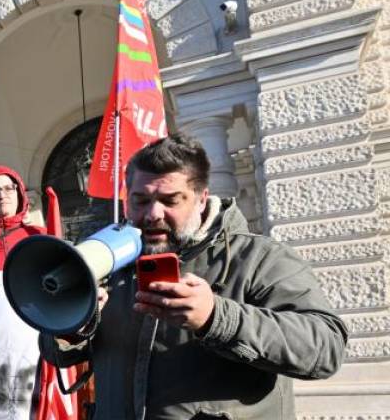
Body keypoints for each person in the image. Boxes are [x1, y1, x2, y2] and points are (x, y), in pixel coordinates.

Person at [39, 134, 348, 419]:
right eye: (140, 200)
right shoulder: (110, 263)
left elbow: (324, 349)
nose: (152, 215)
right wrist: (73, 327)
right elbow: (55, 354)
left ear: (201, 198)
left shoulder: (259, 258)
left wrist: (216, 317)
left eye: (170, 200)